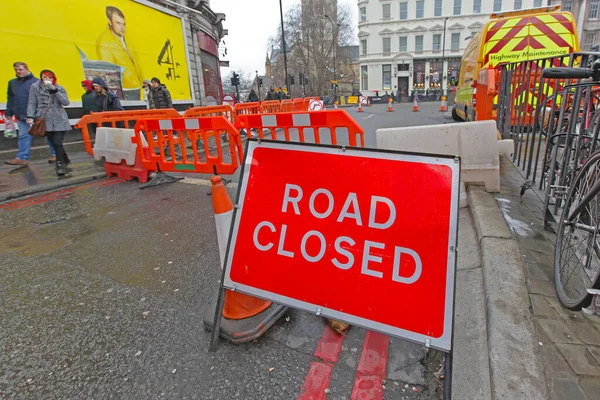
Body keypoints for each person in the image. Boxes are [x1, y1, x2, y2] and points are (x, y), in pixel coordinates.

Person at [5, 62, 56, 166]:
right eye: (16, 70)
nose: (18, 72)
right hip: (21, 114)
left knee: (48, 134)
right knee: (23, 136)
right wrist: (9, 111)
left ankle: (56, 154)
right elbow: (11, 98)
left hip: (38, 115)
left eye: (20, 69)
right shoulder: (12, 83)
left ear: (27, 69)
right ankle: (22, 158)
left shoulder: (37, 82)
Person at [26, 70, 71, 177]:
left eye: (50, 77)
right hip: (44, 118)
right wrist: (30, 116)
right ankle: (65, 159)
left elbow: (66, 102)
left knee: (57, 141)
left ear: (54, 78)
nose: (47, 79)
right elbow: (32, 102)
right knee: (53, 142)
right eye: (45, 77)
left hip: (59, 118)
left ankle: (60, 165)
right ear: (41, 78)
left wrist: (55, 91)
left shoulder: (59, 87)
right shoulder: (35, 87)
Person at [96, 6, 143, 100]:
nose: (122, 28)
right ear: (109, 21)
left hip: (136, 86)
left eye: (124, 24)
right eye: (118, 23)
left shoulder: (126, 38)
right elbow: (109, 71)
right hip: (125, 90)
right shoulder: (104, 42)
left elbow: (136, 62)